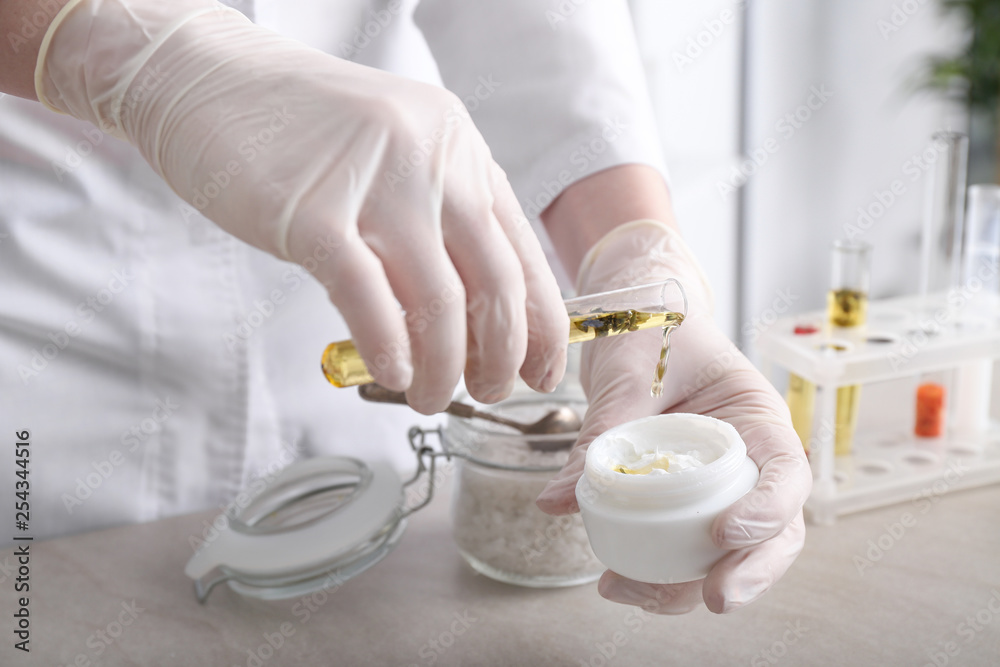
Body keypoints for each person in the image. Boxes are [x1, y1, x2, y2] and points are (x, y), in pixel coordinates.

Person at [0, 0, 809, 614]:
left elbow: (539, 33)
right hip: (54, 392)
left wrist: (635, 250)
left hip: (370, 366)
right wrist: (110, 47)